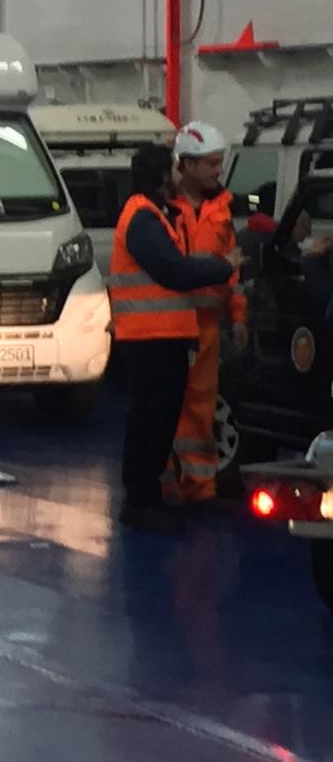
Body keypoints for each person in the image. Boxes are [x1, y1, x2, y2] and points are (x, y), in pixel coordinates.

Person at [112, 142, 240, 534]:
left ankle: (150, 496)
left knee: (160, 418)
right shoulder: (142, 218)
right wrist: (222, 268)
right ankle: (139, 501)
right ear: (159, 178)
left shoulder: (154, 215)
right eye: (171, 170)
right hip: (148, 338)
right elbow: (173, 271)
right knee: (149, 420)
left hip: (163, 337)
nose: (176, 177)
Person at [168, 122, 245, 508]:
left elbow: (233, 270)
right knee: (168, 406)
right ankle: (168, 485)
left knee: (202, 407)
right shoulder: (165, 210)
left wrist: (239, 316)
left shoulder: (221, 211)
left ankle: (200, 488)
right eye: (212, 163)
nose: (219, 170)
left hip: (208, 326)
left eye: (219, 162)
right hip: (171, 325)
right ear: (187, 164)